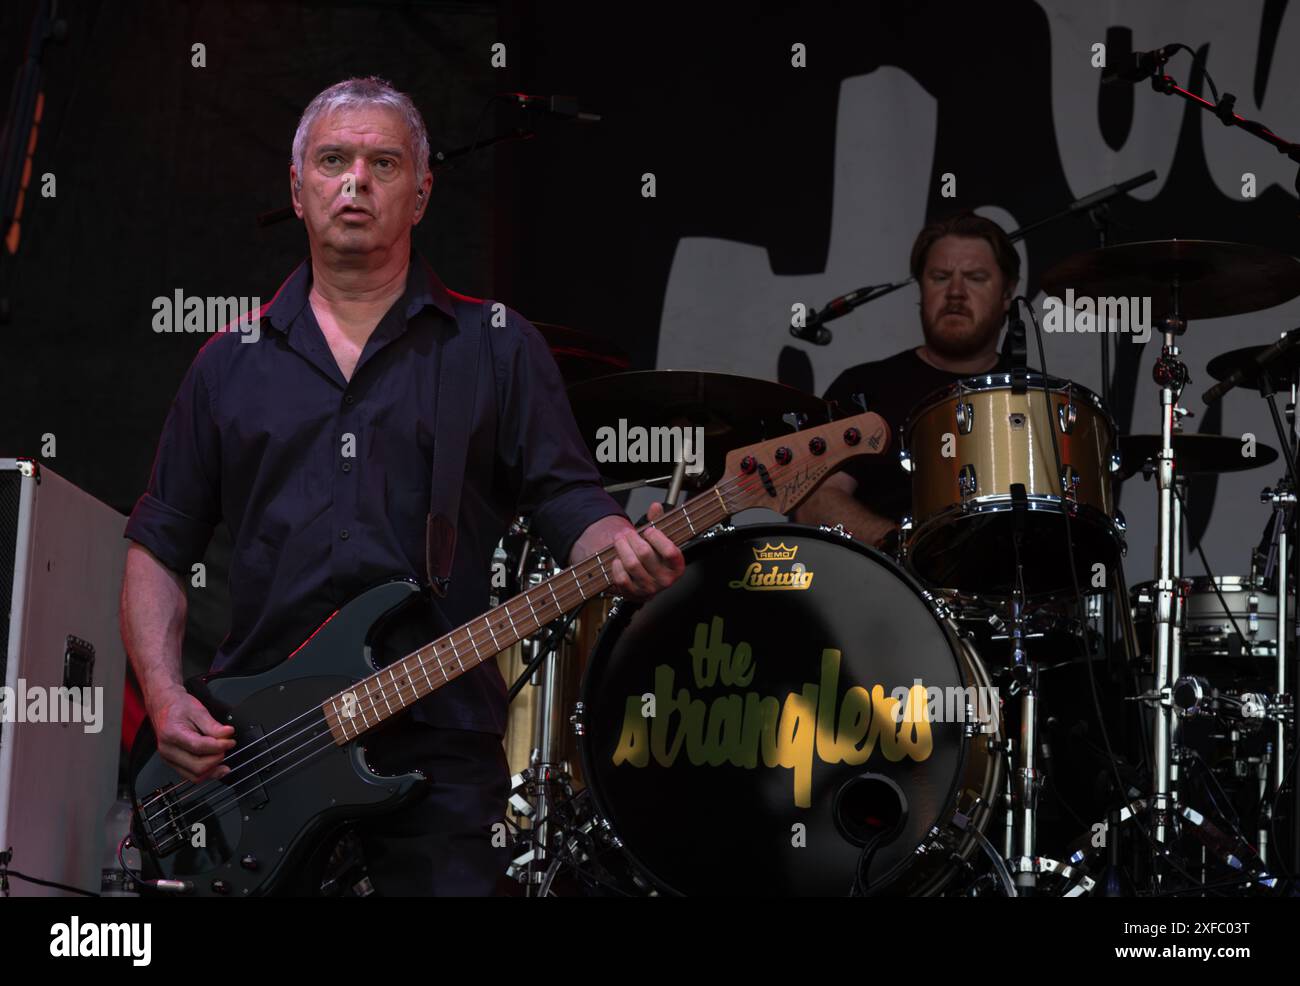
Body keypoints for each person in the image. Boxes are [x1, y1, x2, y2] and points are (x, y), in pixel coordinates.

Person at [119, 76, 685, 896]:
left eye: (384, 163)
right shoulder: (228, 363)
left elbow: (569, 501)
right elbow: (158, 544)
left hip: (441, 734)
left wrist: (618, 548)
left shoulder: (494, 346)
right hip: (258, 752)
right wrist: (167, 698)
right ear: (298, 186)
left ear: (421, 193)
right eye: (333, 160)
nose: (356, 181)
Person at [794, 212, 1021, 547]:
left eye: (975, 277)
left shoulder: (1037, 396)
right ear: (921, 289)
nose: (956, 292)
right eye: (940, 277)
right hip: (883, 590)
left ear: (1007, 294)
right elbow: (813, 502)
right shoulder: (863, 387)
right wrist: (906, 550)